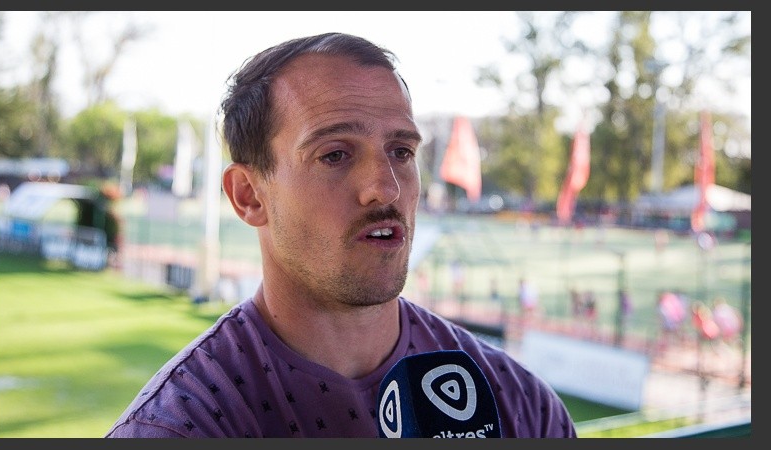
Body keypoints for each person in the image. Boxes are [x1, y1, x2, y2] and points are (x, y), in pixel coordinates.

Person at [105, 32, 576, 438]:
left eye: (401, 151)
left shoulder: (520, 404)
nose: (385, 188)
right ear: (248, 195)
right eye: (335, 155)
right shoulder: (182, 426)